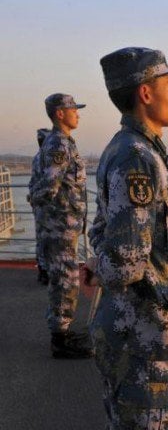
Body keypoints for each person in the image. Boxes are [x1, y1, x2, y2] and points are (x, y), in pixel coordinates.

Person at [88, 47, 168, 429]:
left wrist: (97, 259)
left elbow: (103, 229)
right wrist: (97, 263)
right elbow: (124, 264)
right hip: (143, 339)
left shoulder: (132, 149)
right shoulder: (137, 158)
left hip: (141, 335)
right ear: (145, 94)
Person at [29, 93, 92, 358]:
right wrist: (50, 217)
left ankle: (63, 330)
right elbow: (48, 186)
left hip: (62, 224)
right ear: (59, 114)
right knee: (65, 281)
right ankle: (60, 340)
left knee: (63, 280)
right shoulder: (59, 145)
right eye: (73, 109)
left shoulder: (61, 142)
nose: (77, 113)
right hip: (60, 226)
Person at [27, 128, 51, 285]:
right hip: (47, 206)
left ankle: (42, 271)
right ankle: (46, 271)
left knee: (40, 238)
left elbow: (32, 183)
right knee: (48, 239)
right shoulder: (46, 159)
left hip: (38, 205)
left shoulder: (36, 158)